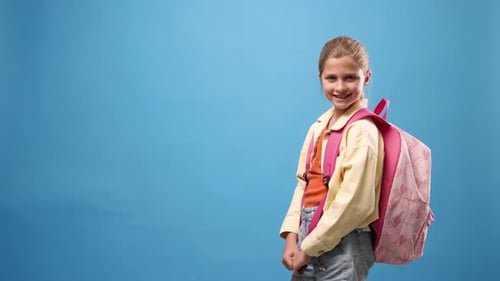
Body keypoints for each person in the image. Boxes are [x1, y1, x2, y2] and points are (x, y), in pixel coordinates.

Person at [279, 36, 385, 281]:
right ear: (320, 78)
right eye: (331, 78)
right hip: (310, 235)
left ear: (366, 77)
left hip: (344, 241)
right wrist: (292, 237)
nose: (340, 87)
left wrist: (310, 247)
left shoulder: (363, 131)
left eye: (350, 78)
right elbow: (304, 183)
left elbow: (354, 203)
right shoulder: (319, 125)